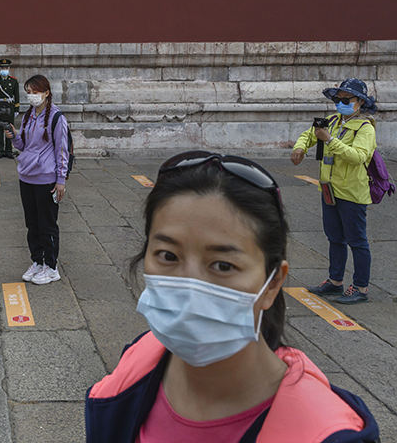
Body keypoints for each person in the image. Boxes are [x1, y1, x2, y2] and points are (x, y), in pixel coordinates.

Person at [85, 151, 380, 443]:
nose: (189, 285)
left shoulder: (325, 432)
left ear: (273, 282)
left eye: (223, 265)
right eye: (168, 255)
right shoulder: (134, 367)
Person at [292, 78, 378, 305]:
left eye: (346, 99)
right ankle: (335, 281)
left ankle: (360, 287)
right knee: (335, 238)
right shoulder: (332, 121)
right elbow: (308, 135)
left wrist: (329, 140)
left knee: (357, 240)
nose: (341, 102)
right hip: (329, 189)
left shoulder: (364, 128)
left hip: (351, 192)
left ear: (359, 102)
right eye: (338, 99)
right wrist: (300, 147)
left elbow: (358, 156)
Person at [7, 75, 68, 285]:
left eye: (35, 92)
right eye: (29, 93)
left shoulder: (56, 118)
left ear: (46, 93)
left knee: (47, 225)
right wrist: (15, 135)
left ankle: (51, 267)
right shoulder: (28, 115)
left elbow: (62, 150)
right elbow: (24, 145)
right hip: (27, 176)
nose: (32, 97)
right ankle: (37, 262)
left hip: (47, 178)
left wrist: (61, 179)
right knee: (31, 224)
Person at [0, 58, 20, 159]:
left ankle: (9, 151)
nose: (4, 70)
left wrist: (16, 109)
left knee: (10, 129)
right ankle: (0, 151)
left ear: (9, 68)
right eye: (2, 68)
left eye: (6, 68)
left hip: (10, 107)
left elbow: (17, 96)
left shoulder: (14, 81)